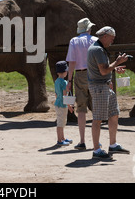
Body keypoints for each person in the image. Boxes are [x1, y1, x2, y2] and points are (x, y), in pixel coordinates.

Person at [87, 26, 130, 159]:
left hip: (104, 86)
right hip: (99, 87)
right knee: (98, 119)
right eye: (111, 38)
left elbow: (102, 69)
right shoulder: (98, 49)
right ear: (105, 36)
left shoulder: (98, 48)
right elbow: (104, 71)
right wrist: (117, 61)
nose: (112, 41)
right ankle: (96, 150)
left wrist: (115, 68)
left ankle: (112, 144)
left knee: (114, 113)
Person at [65, 18, 98, 150]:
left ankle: (82, 141)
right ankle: (97, 141)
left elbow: (71, 62)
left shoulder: (74, 41)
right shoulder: (96, 40)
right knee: (96, 108)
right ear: (89, 28)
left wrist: (69, 80)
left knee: (81, 109)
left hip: (80, 75)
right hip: (94, 74)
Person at [54, 61, 74, 146]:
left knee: (61, 122)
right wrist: (69, 106)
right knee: (61, 123)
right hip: (62, 105)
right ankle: (59, 140)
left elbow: (56, 94)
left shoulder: (56, 81)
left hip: (58, 103)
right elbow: (65, 95)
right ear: (65, 72)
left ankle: (62, 138)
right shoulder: (64, 82)